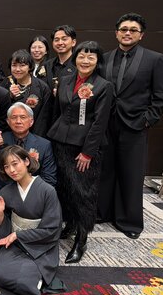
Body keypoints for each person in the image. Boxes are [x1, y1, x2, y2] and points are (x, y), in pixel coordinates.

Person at [99, 13, 163, 239]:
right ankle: (104, 212)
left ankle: (129, 221)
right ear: (116, 33)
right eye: (123, 29)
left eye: (133, 30)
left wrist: (147, 120)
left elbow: (161, 96)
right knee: (106, 171)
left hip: (135, 124)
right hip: (107, 124)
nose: (127, 33)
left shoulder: (154, 59)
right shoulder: (105, 58)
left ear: (141, 35)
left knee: (131, 174)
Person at [48, 41, 114, 264]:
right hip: (60, 141)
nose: (85, 61)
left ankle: (81, 239)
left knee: (83, 191)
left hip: (83, 147)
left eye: (91, 57)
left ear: (98, 61)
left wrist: (88, 152)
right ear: (75, 58)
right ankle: (70, 224)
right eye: (81, 56)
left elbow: (100, 122)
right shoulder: (65, 80)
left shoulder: (103, 86)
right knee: (64, 187)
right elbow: (58, 111)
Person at [0, 146, 64, 295]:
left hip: (40, 244)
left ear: (27, 161)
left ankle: (36, 278)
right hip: (15, 243)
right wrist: (0, 213)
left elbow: (52, 229)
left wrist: (19, 235)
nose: (11, 170)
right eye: (6, 166)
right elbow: (6, 228)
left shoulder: (47, 191)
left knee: (23, 281)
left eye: (15, 164)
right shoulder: (6, 191)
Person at [0, 102, 57, 190]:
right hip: (3, 191)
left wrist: (28, 193)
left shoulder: (44, 144)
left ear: (31, 122)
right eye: (14, 117)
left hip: (33, 192)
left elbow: (49, 178)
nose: (18, 121)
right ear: (8, 121)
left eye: (23, 117)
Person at [0, 50, 51, 137]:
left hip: (34, 135)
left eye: (22, 65)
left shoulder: (42, 88)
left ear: (30, 67)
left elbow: (44, 118)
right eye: (14, 65)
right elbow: (0, 113)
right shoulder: (5, 84)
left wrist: (35, 139)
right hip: (9, 135)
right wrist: (9, 96)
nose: (17, 69)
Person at [43, 25, 77, 95]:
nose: (60, 43)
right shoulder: (47, 65)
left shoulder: (79, 65)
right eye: (56, 40)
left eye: (64, 39)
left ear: (73, 42)